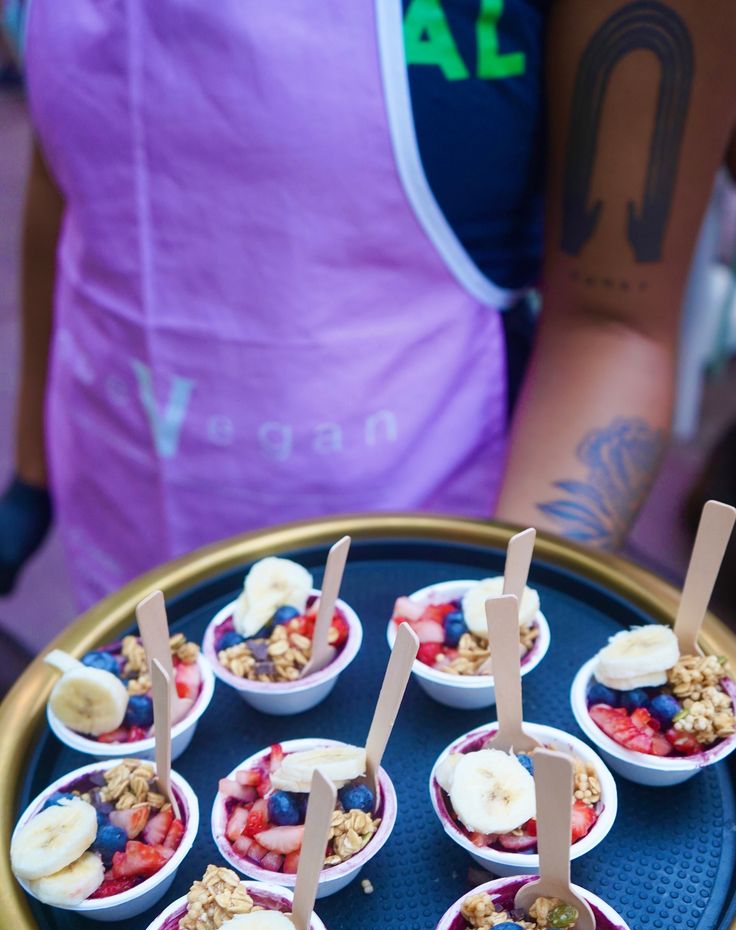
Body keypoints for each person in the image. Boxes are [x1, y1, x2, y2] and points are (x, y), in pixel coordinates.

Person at [2, 0, 735, 609]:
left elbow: (615, 324)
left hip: (416, 568)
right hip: (118, 508)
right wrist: (32, 470)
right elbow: (71, 179)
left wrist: (495, 626)